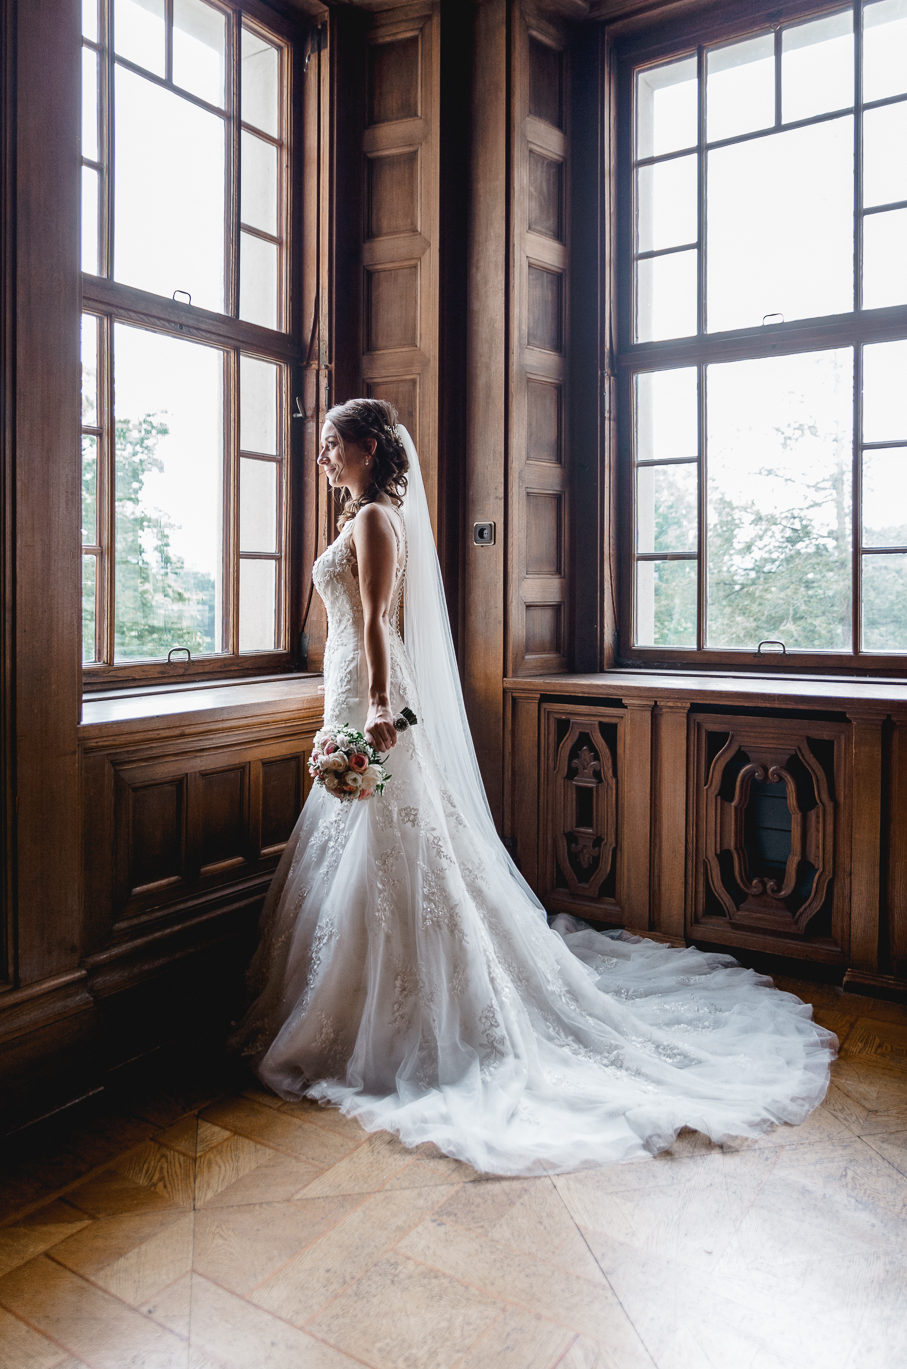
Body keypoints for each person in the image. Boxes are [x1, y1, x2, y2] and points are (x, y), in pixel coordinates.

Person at [237, 398, 836, 1176]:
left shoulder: (379, 521)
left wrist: (380, 710)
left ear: (370, 448)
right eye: (319, 446)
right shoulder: (363, 519)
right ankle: (350, 1007)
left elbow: (382, 624)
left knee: (400, 843)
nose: (321, 457)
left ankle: (411, 1022)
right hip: (345, 691)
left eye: (332, 444)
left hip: (369, 698)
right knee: (368, 843)